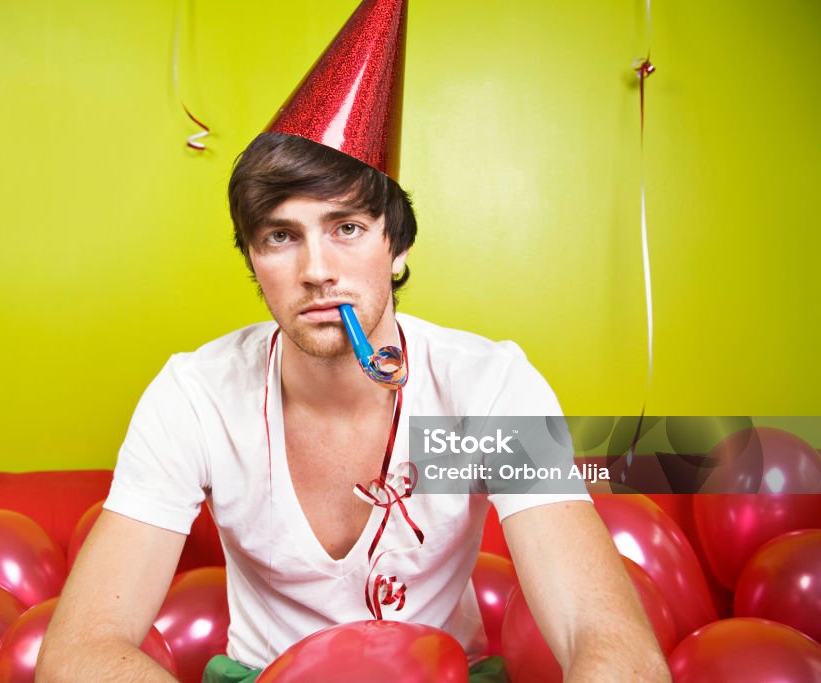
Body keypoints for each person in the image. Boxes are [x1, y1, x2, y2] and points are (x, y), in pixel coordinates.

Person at [38, 2, 670, 681]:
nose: (316, 271)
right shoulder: (197, 398)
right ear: (253, 260)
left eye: (346, 229)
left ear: (395, 246)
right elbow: (81, 650)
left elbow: (601, 631)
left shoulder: (484, 390)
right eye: (282, 236)